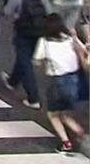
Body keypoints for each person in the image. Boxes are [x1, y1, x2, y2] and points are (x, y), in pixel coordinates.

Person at [33, 13, 88, 153]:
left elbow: (37, 61)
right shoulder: (70, 39)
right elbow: (82, 50)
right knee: (65, 113)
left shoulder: (44, 42)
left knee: (53, 114)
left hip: (57, 82)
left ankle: (66, 142)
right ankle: (79, 131)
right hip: (74, 80)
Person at [1, 0, 46, 109]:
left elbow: (7, 12)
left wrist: (15, 16)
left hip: (23, 32)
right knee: (24, 58)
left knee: (26, 63)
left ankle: (33, 98)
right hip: (38, 32)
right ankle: (12, 81)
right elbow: (50, 12)